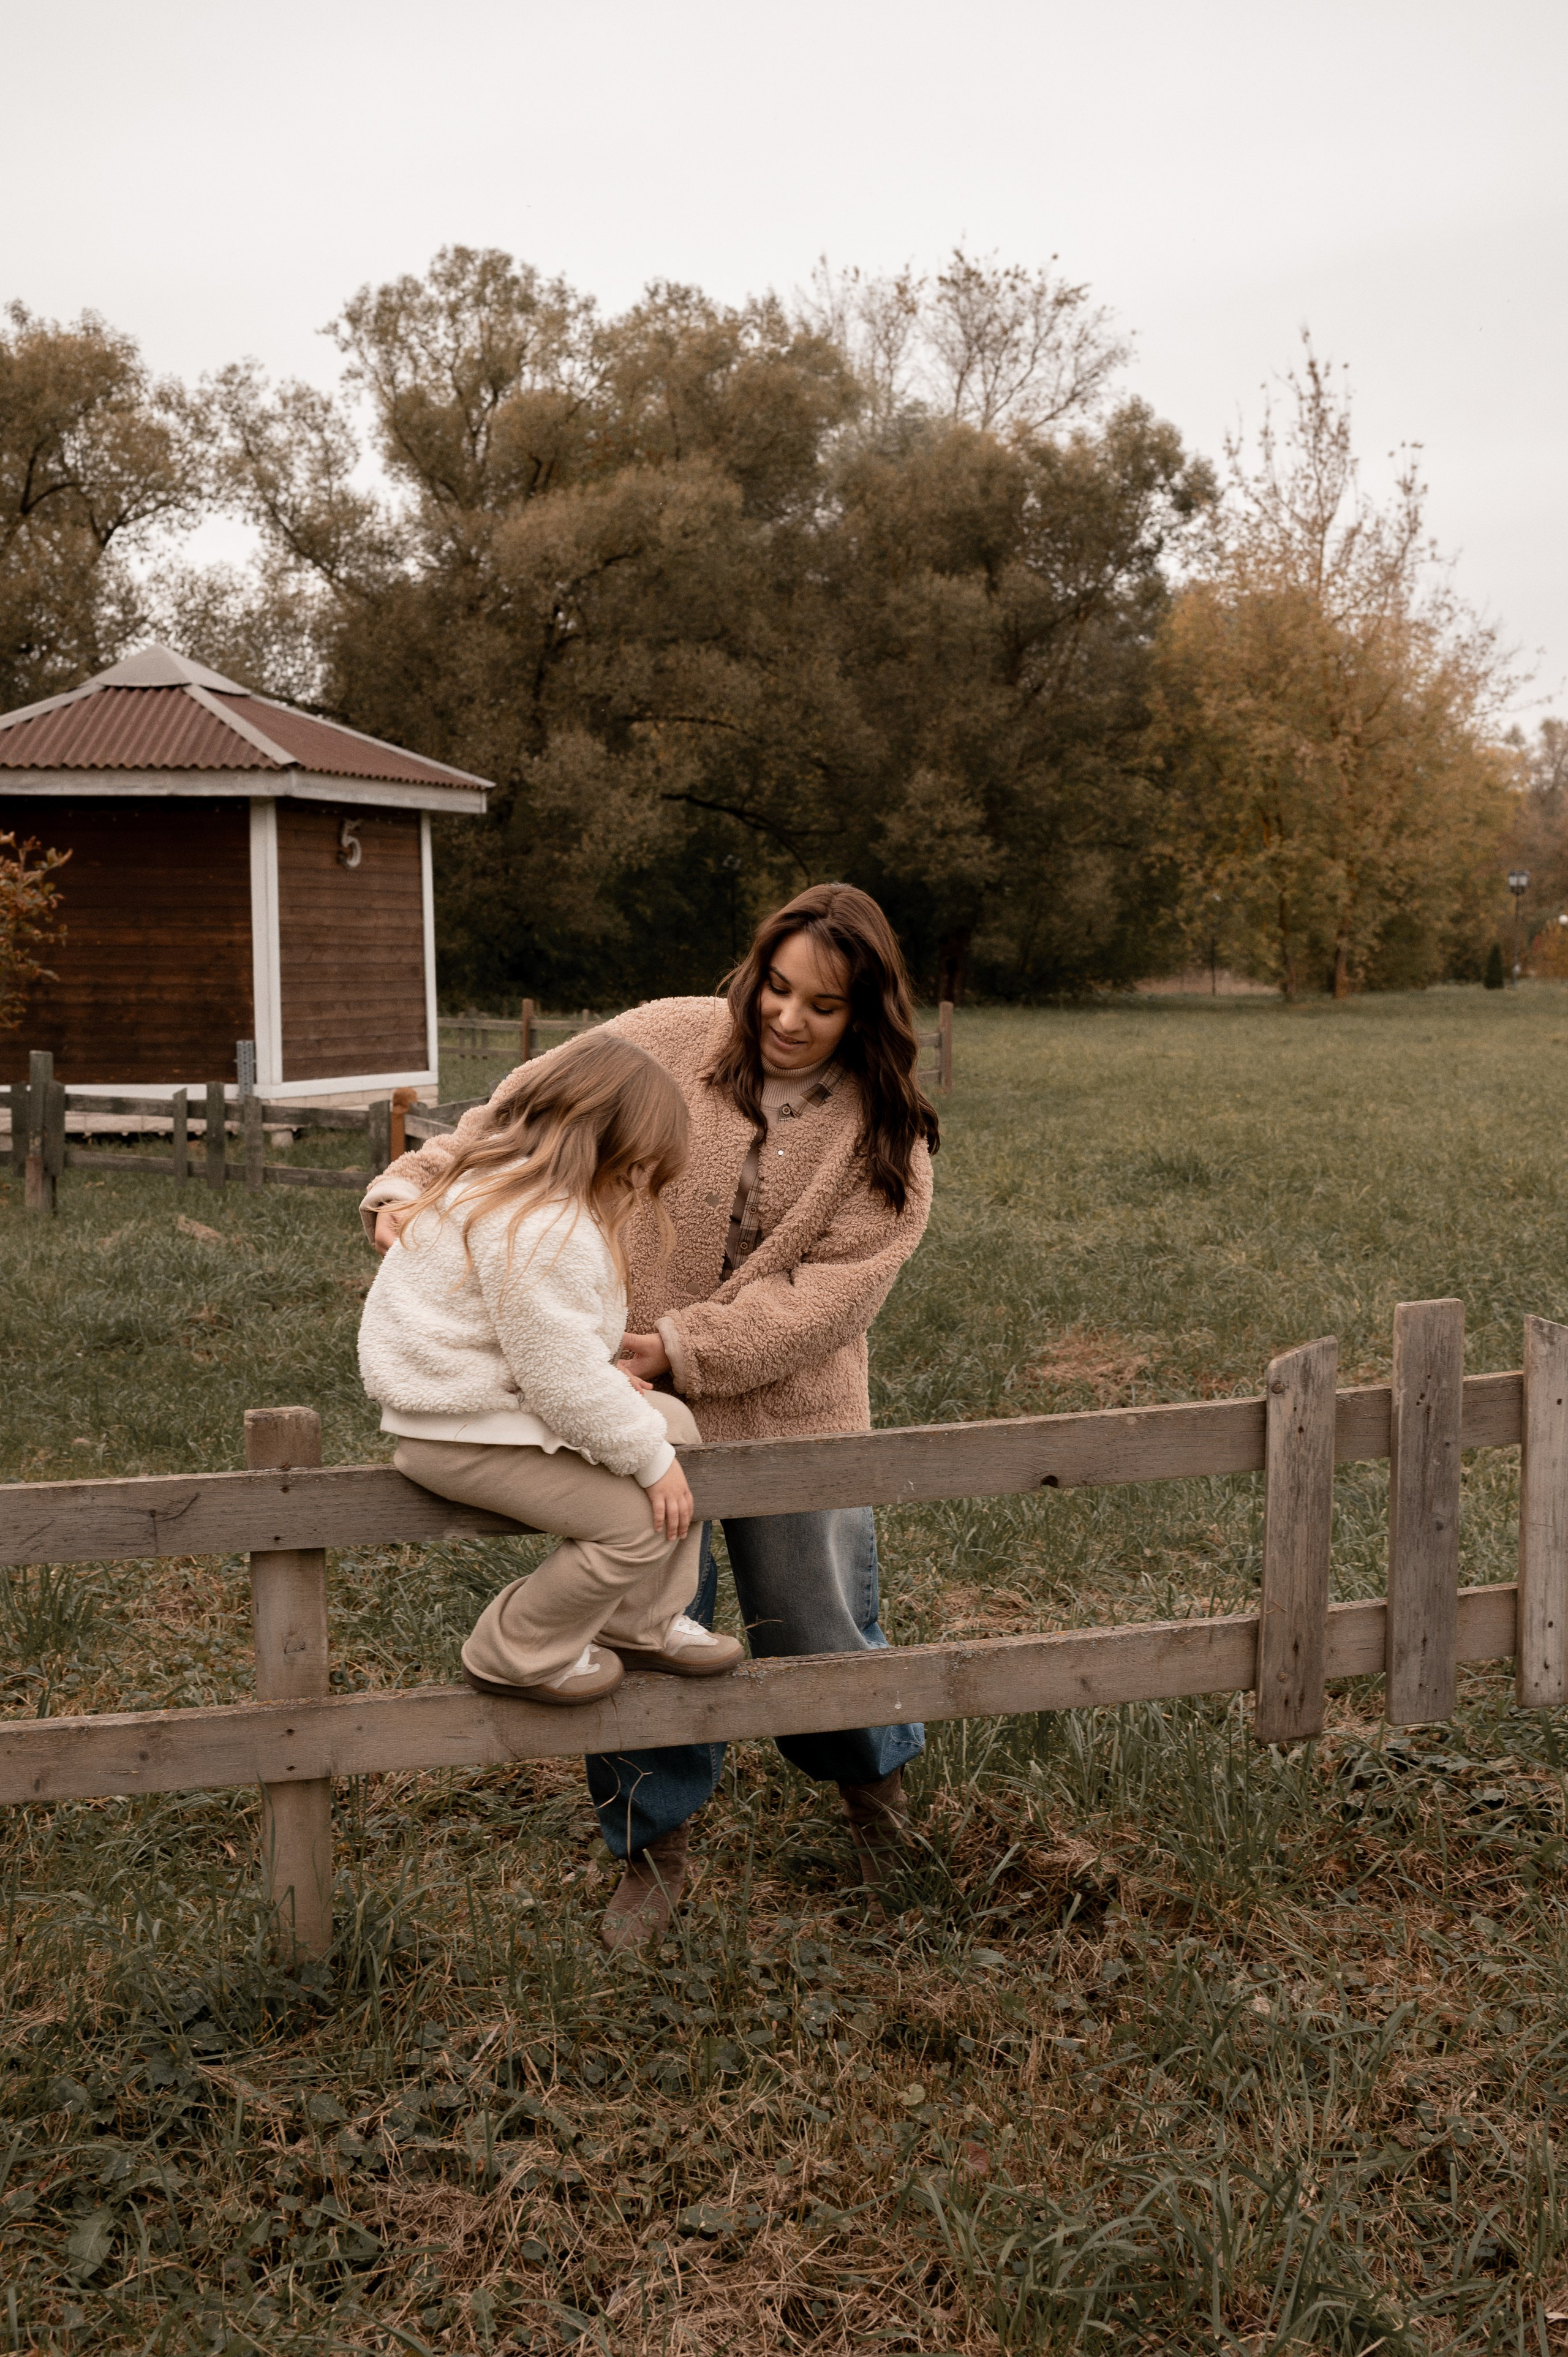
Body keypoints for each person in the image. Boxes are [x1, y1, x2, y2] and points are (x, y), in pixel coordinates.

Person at [364, 882, 939, 1948]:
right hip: (611, 1396)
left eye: (822, 1003)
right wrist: (411, 1183)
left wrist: (681, 1348)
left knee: (818, 1627)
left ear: (865, 1012)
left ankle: (875, 1802)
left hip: (787, 1408)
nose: (786, 1017)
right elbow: (518, 1120)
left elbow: (831, 1295)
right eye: (777, 985)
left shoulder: (887, 1138)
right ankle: (653, 1850)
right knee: (641, 1621)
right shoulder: (667, 1036)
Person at [358, 1031, 742, 1705]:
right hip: (458, 1431)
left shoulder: (508, 1193)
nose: (640, 1184)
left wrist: (602, 1377)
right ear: (604, 1143)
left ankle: (639, 1622)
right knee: (638, 1521)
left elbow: (531, 1338)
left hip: (478, 1404)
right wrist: (649, 1462)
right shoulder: (543, 1224)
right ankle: (514, 1651)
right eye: (637, 1167)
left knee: (674, 1420)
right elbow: (558, 1377)